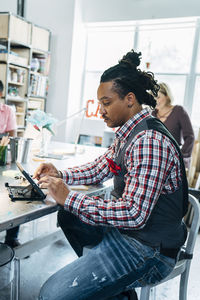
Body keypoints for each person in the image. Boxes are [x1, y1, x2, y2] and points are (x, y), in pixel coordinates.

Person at [34, 50, 188, 300]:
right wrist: (59, 173)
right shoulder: (129, 133)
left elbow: (134, 214)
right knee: (70, 216)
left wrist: (70, 197)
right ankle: (115, 290)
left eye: (106, 103)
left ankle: (114, 288)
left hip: (149, 251)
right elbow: (100, 167)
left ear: (129, 99)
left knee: (51, 295)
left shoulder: (149, 141)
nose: (101, 111)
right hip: (129, 236)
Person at [152, 82, 194, 169]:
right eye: (153, 97)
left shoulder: (179, 111)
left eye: (158, 97)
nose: (155, 100)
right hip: (155, 159)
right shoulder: (152, 114)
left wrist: (180, 156)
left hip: (174, 160)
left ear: (167, 96)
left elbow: (190, 137)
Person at [0, 80, 21, 248]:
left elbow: (12, 137)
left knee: (13, 190)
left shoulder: (7, 111)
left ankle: (11, 237)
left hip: (3, 157)